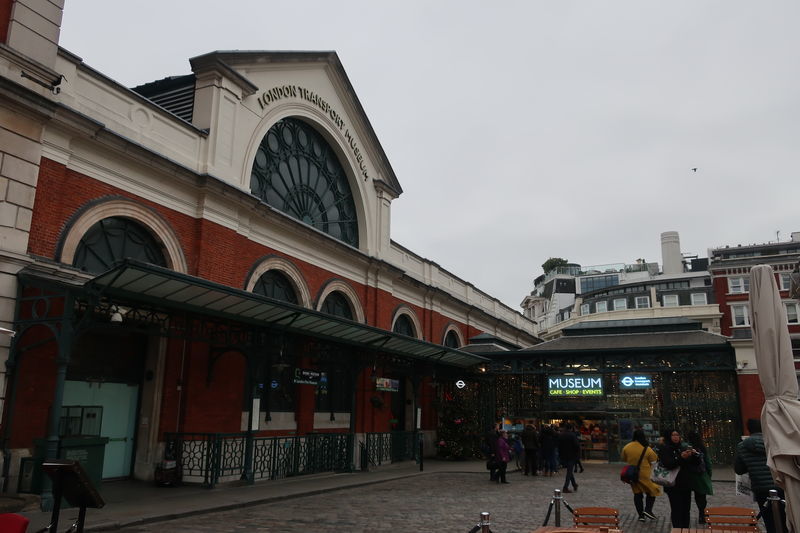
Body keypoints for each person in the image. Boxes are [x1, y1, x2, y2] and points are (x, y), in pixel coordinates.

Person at [734, 419, 787, 533]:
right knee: (785, 518)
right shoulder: (774, 442)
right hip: (780, 484)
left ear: (749, 430)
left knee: (769, 520)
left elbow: (739, 469)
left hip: (760, 488)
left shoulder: (742, 446)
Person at [657, 428, 702, 528]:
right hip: (673, 485)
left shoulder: (683, 447)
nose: (676, 437)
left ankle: (685, 529)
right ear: (669, 436)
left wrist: (695, 455)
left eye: (677, 435)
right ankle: (677, 529)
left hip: (686, 484)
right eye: (673, 435)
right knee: (677, 509)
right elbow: (669, 464)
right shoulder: (665, 449)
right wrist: (681, 457)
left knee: (686, 509)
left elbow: (695, 464)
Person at [621, 428, 660, 522]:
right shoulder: (647, 448)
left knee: (637, 494)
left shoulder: (627, 447)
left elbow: (624, 458)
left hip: (632, 474)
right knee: (653, 490)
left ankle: (640, 515)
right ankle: (648, 510)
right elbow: (654, 460)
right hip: (645, 474)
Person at [685, 430, 713, 524]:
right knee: (701, 496)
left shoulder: (686, 447)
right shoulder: (702, 447)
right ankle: (702, 514)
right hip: (700, 474)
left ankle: (688, 516)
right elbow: (708, 462)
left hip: (689, 475)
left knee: (690, 497)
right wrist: (709, 474)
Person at [558, 423, 580, 493]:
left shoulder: (561, 435)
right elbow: (577, 446)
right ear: (571, 428)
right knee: (569, 472)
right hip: (571, 455)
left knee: (569, 471)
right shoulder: (572, 435)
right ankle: (565, 487)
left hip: (563, 455)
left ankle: (574, 484)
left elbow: (558, 446)